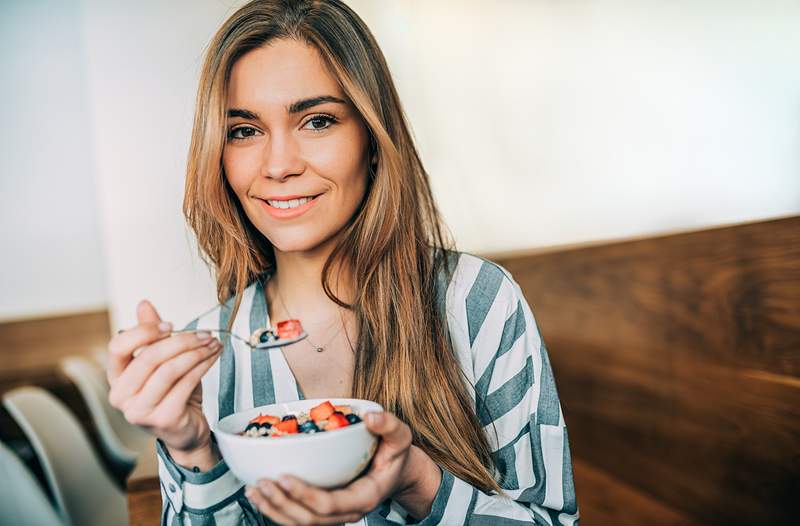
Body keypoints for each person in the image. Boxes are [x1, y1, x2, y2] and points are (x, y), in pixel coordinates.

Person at [106, 1, 579, 524]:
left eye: (318, 120)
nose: (279, 165)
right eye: (244, 130)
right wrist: (194, 452)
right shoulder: (205, 363)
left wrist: (417, 482)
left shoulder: (475, 301)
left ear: (372, 141)